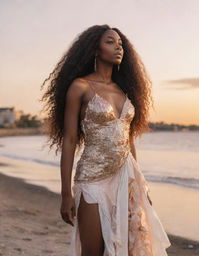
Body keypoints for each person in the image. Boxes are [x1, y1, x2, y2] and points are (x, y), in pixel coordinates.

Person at [40, 24, 171, 256]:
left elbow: (128, 140)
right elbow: (69, 140)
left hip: (126, 177)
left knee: (129, 247)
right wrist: (65, 193)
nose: (118, 47)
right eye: (110, 42)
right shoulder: (80, 87)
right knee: (92, 251)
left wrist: (140, 184)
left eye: (120, 43)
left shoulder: (126, 91)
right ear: (95, 49)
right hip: (92, 178)